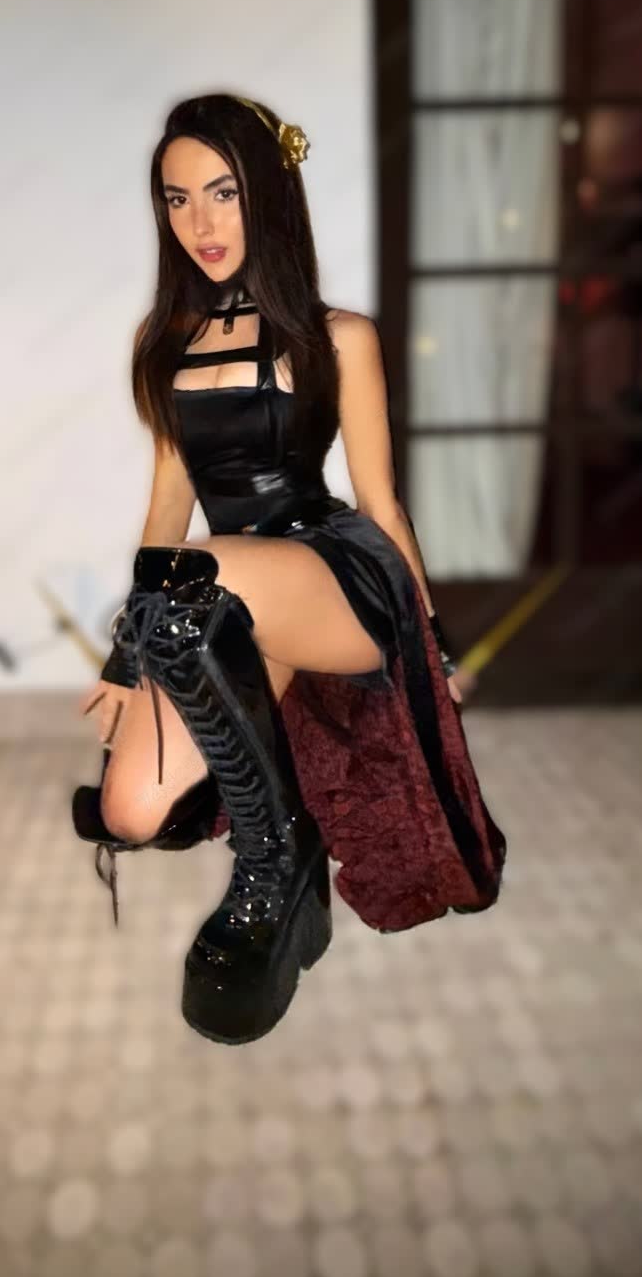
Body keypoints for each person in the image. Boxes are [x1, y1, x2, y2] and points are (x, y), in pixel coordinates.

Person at [73, 93, 506, 1047]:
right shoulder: (164, 346)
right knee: (129, 810)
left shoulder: (338, 335)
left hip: (335, 579)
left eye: (222, 192)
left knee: (193, 573)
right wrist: (123, 663)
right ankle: (289, 836)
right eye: (177, 199)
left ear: (267, 194)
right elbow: (166, 508)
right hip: (222, 595)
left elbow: (382, 503)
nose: (200, 221)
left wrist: (432, 643)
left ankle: (269, 867)